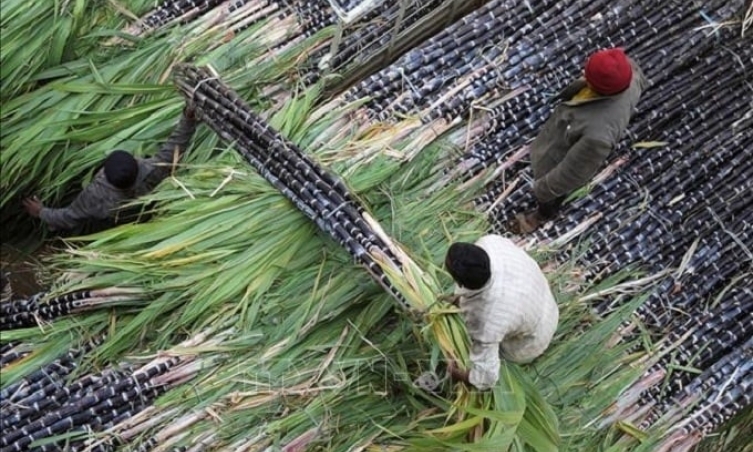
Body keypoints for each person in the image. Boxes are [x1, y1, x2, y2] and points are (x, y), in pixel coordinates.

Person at [512, 47, 647, 233]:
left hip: (560, 159)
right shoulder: (627, 71)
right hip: (575, 121)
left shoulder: (597, 134)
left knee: (552, 195)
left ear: (597, 87)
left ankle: (541, 217)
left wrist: (542, 189)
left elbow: (572, 173)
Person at [23, 103, 198, 235]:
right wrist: (188, 119)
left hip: (116, 230)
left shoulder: (96, 195)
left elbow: (70, 217)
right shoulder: (152, 171)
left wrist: (41, 212)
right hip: (147, 220)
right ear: (137, 165)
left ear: (104, 174)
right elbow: (175, 147)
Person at [444, 234, 559, 390]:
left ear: (460, 282)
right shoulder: (491, 243)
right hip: (541, 297)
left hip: (536, 335)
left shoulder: (488, 320)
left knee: (486, 349)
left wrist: (457, 374)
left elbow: (487, 377)